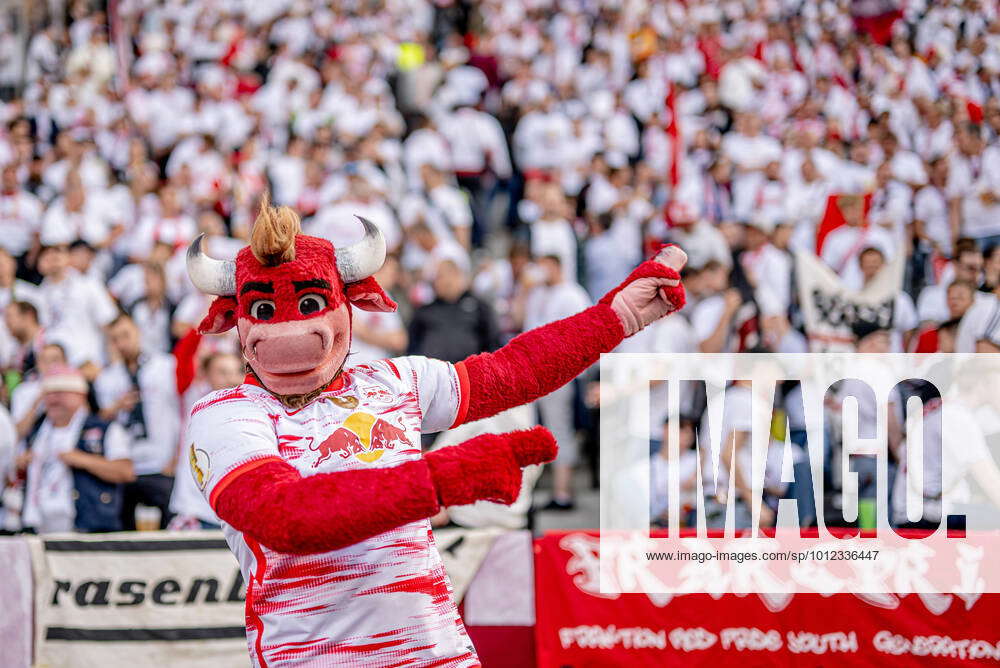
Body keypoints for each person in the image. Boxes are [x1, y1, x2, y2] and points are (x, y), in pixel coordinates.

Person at [183, 197, 685, 666]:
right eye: (265, 312)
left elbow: (514, 372)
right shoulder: (225, 412)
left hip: (440, 654)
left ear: (348, 302)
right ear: (236, 321)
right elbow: (285, 518)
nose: (289, 333)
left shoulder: (395, 380)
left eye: (310, 305)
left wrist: (617, 316)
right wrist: (445, 476)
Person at [18, 366, 133, 533]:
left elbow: (126, 471)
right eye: (48, 393)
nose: (53, 399)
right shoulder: (37, 433)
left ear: (80, 395)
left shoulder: (104, 429)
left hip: (86, 528)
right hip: (38, 526)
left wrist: (82, 459)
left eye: (60, 392)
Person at [95, 313, 179, 529]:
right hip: (128, 466)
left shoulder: (166, 366)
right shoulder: (107, 379)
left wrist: (175, 460)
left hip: (163, 462)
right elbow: (101, 423)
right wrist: (115, 407)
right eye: (115, 339)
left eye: (126, 335)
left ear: (138, 332)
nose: (122, 343)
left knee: (168, 533)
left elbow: (182, 411)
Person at [523, 254, 593, 510]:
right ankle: (528, 493)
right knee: (529, 429)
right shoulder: (536, 293)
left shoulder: (573, 294)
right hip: (532, 370)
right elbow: (523, 324)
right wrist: (523, 290)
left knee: (560, 428)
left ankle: (563, 492)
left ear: (557, 266)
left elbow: (583, 334)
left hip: (560, 372)